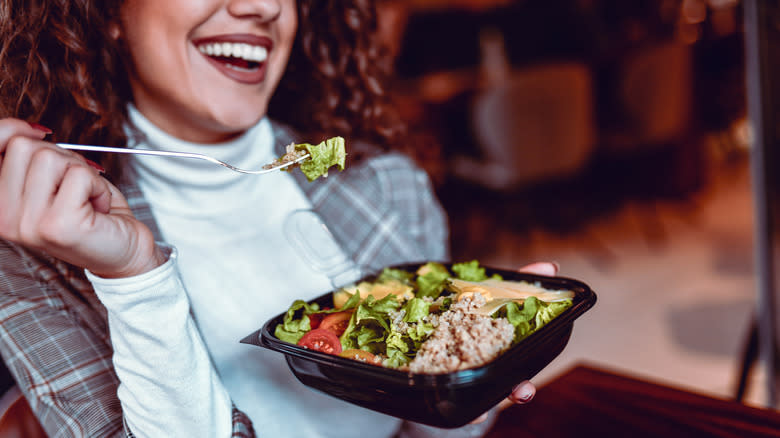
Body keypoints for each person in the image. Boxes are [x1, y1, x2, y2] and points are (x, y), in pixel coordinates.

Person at [0, 1, 549, 436]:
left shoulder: (386, 184)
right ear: (111, 12)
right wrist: (135, 277)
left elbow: (434, 423)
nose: (263, 5)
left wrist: (471, 381)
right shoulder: (31, 253)